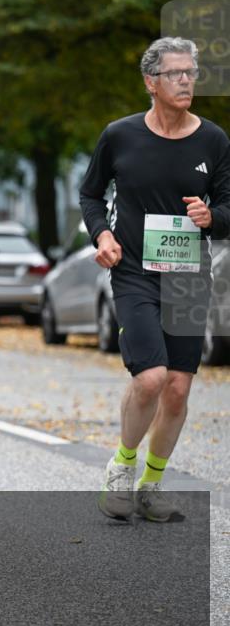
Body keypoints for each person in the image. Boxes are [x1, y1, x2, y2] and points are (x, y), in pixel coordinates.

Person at [80, 37, 229, 522]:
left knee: (179, 389)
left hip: (187, 275)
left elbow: (229, 208)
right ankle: (122, 467)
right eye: (175, 73)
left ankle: (152, 483)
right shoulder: (119, 136)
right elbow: (90, 195)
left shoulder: (214, 140)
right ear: (151, 82)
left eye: (191, 73)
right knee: (150, 377)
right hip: (135, 272)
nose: (186, 80)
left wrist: (212, 217)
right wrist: (102, 235)